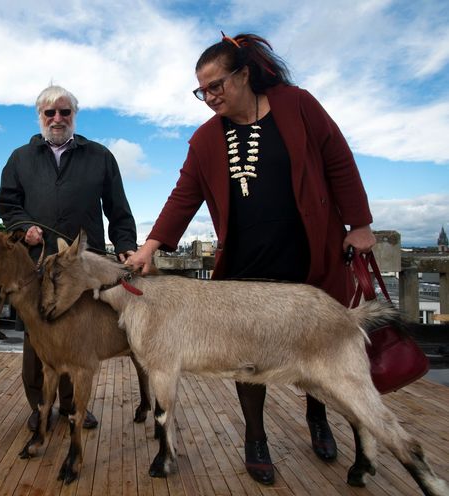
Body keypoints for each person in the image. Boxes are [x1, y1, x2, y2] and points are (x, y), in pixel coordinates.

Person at [126, 33, 376, 485]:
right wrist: (151, 246)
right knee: (245, 350)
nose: (210, 97)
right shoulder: (204, 140)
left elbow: (339, 159)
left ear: (244, 74)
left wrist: (358, 223)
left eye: (217, 85)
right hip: (246, 258)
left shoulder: (297, 105)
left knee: (314, 343)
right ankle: (255, 437)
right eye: (202, 90)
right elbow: (183, 196)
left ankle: (317, 416)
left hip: (308, 248)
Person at [0, 85, 137, 432]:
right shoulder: (20, 158)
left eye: (64, 112)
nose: (57, 119)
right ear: (39, 116)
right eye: (50, 113)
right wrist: (24, 226)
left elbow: (118, 209)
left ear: (75, 115)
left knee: (80, 334)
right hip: (36, 264)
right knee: (37, 337)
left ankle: (76, 405)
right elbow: (6, 203)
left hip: (81, 267)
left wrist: (126, 246)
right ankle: (41, 405)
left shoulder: (100, 156)